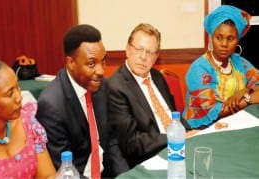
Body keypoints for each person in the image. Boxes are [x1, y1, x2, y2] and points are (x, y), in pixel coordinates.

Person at [36, 24, 129, 178]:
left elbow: (110, 140)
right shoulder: (51, 105)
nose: (100, 71)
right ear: (71, 63)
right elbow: (65, 170)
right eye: (91, 64)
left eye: (103, 61)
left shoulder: (102, 86)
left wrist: (126, 176)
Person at [108, 23, 193, 168]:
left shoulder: (157, 77)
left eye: (150, 52)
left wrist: (190, 132)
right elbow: (132, 143)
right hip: (151, 158)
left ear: (156, 57)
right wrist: (176, 138)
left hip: (178, 147)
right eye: (138, 49)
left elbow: (173, 115)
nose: (143, 57)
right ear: (127, 49)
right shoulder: (116, 87)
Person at [183, 5, 259, 129]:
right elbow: (217, 111)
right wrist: (248, 99)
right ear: (212, 37)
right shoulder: (199, 69)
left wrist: (245, 91)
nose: (224, 44)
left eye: (230, 38)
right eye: (219, 37)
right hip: (200, 130)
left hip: (234, 125)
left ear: (237, 40)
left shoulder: (241, 63)